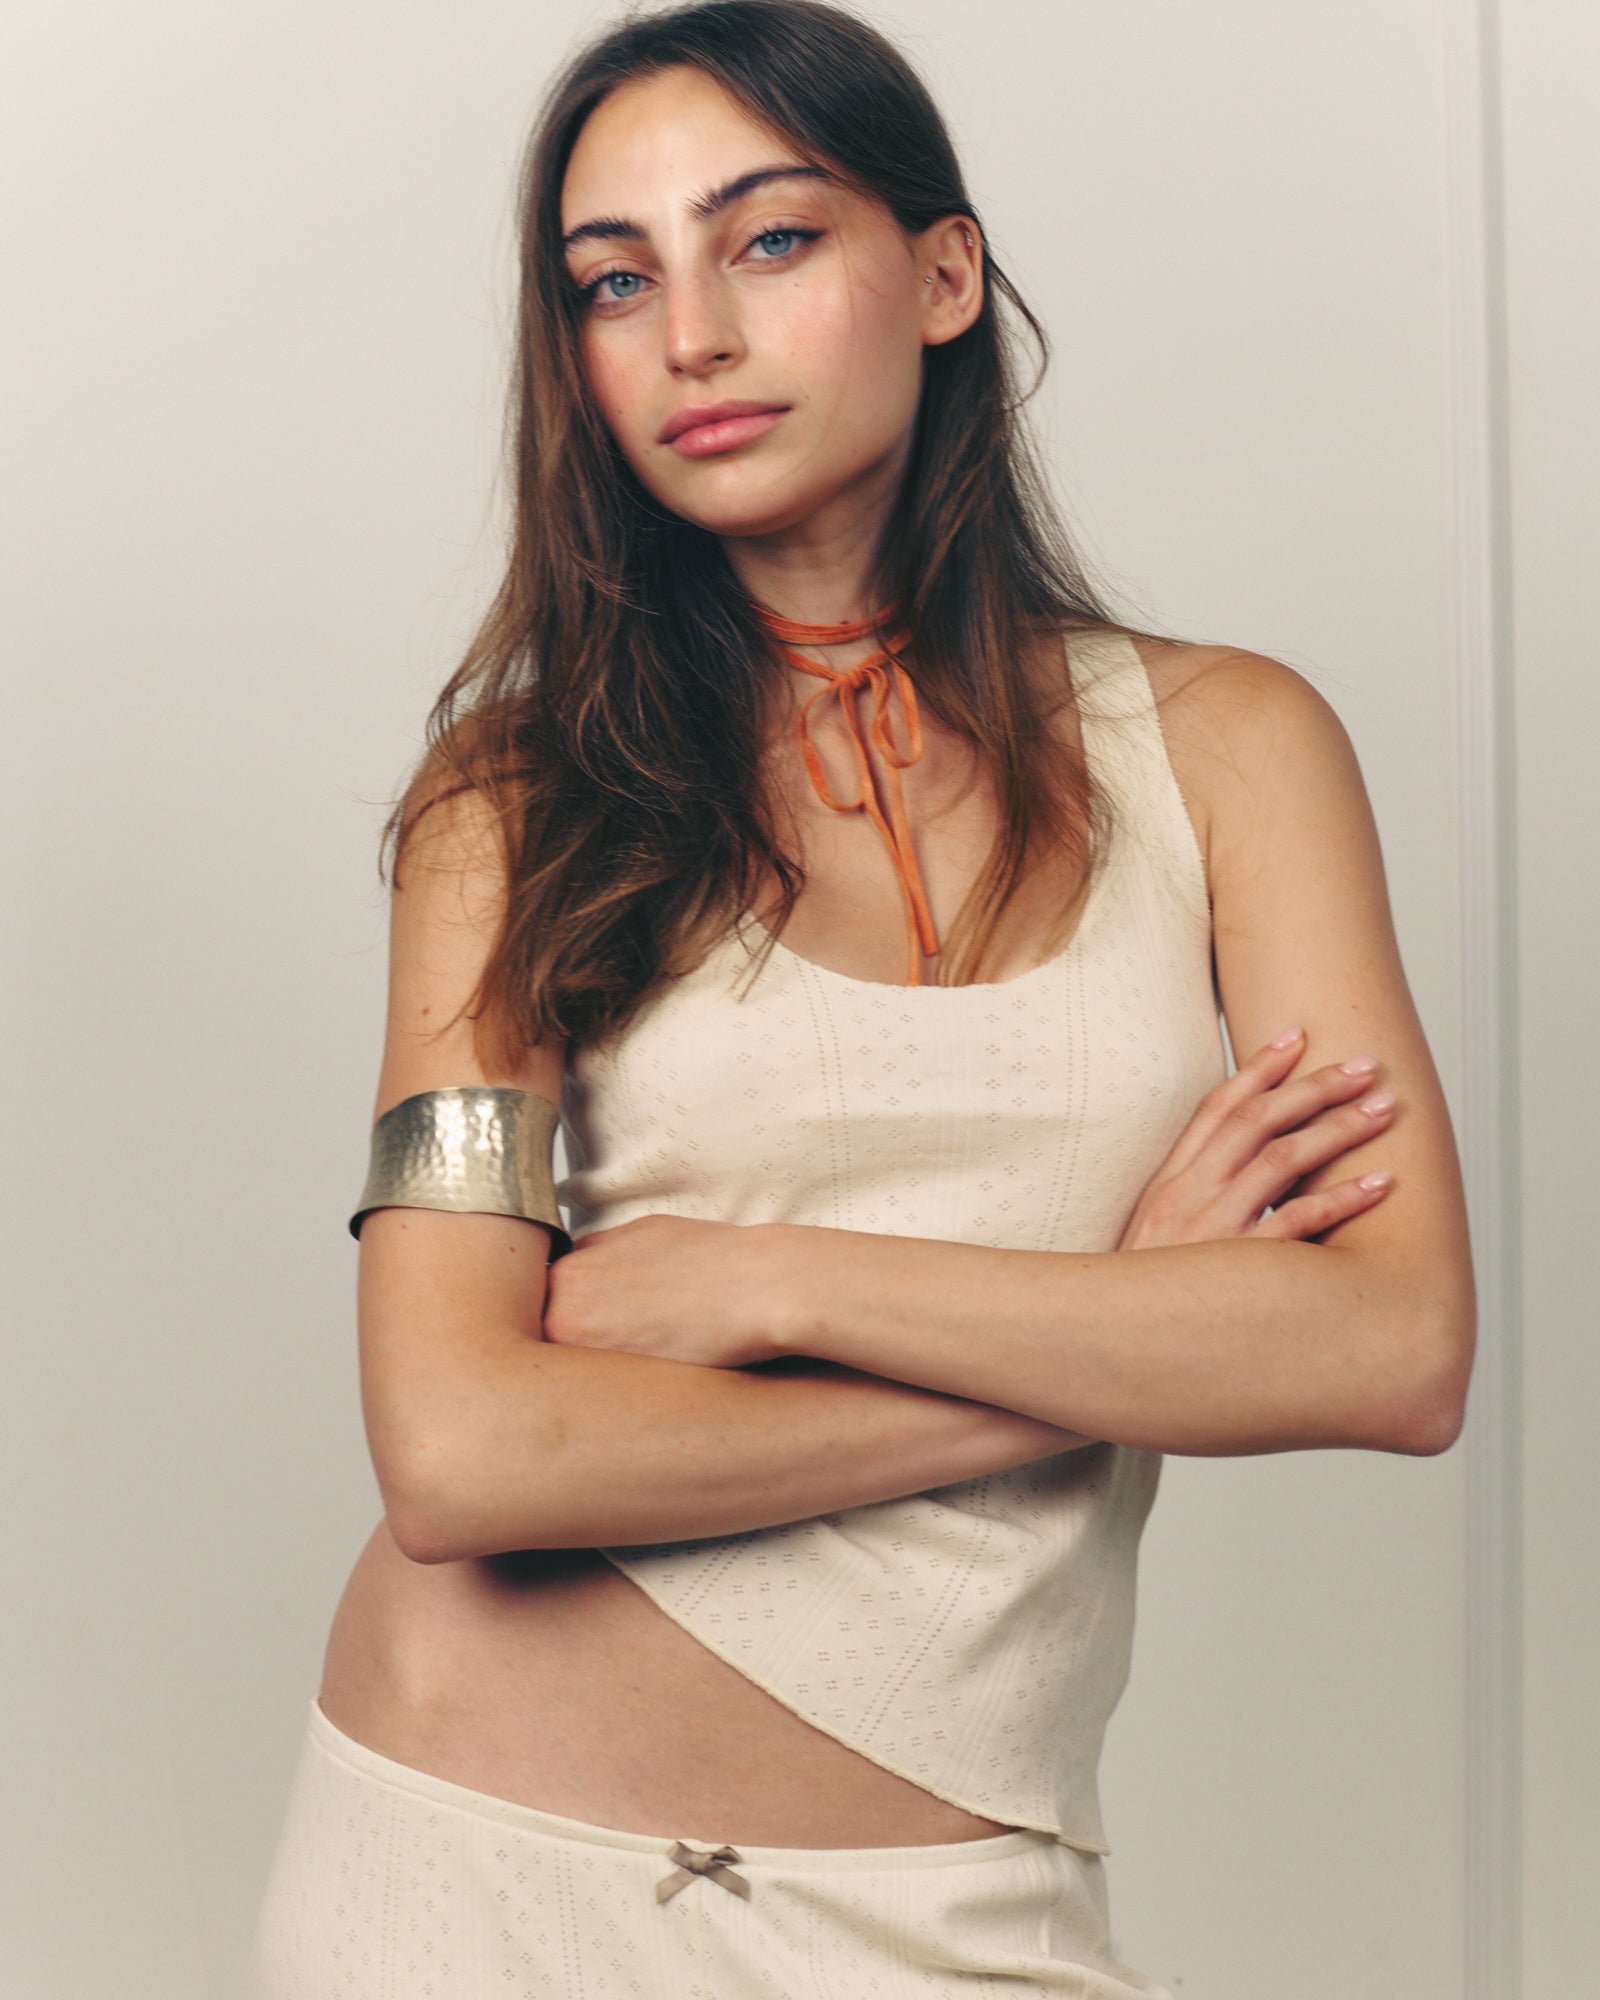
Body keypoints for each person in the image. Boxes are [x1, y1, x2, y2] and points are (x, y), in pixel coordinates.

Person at [249, 3, 1475, 1993]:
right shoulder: (514, 802)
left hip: (962, 1900)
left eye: (769, 239)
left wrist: (769, 1284)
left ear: (943, 272)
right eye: (613, 280)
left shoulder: (1230, 749)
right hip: (468, 1871)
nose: (691, 336)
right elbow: (463, 1452)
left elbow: (1391, 1350)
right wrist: (1127, 1325)